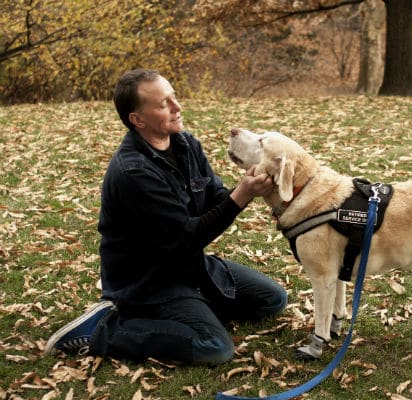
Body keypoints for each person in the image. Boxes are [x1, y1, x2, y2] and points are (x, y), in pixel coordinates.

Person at [44, 69, 287, 365]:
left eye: (174, 97)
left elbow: (216, 198)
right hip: (149, 282)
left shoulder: (185, 145)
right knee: (214, 347)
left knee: (273, 299)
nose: (177, 107)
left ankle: (195, 310)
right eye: (163, 104)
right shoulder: (133, 172)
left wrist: (252, 187)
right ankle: (104, 329)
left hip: (190, 268)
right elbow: (187, 238)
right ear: (138, 119)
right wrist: (242, 195)